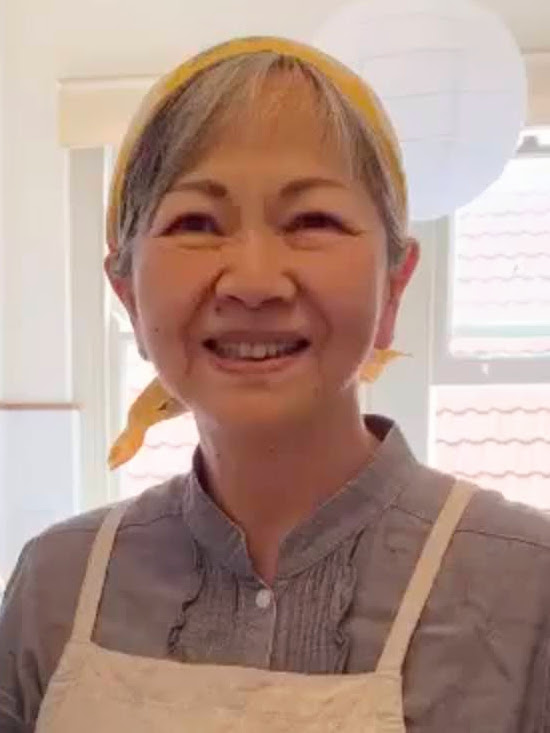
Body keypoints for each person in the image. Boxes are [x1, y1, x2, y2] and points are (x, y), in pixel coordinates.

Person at [1, 36, 550, 733]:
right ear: (128, 295)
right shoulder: (56, 584)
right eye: (196, 223)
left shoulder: (528, 588)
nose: (255, 282)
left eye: (313, 220)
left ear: (394, 286)